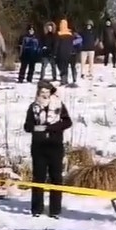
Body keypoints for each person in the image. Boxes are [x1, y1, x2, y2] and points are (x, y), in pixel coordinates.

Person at [24, 81, 72, 218]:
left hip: (55, 146)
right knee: (38, 177)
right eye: (42, 92)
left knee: (56, 177)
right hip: (38, 147)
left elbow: (68, 122)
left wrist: (51, 128)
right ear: (38, 93)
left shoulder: (59, 105)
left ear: (51, 92)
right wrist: (36, 128)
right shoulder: (33, 107)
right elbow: (27, 126)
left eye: (47, 92)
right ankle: (36, 209)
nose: (44, 95)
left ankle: (55, 210)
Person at [54, 20, 75, 85]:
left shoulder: (59, 34)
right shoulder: (70, 34)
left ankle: (63, 79)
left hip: (61, 53)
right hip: (68, 53)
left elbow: (56, 45)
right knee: (66, 66)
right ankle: (65, 79)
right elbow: (72, 44)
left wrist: (55, 53)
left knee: (61, 66)